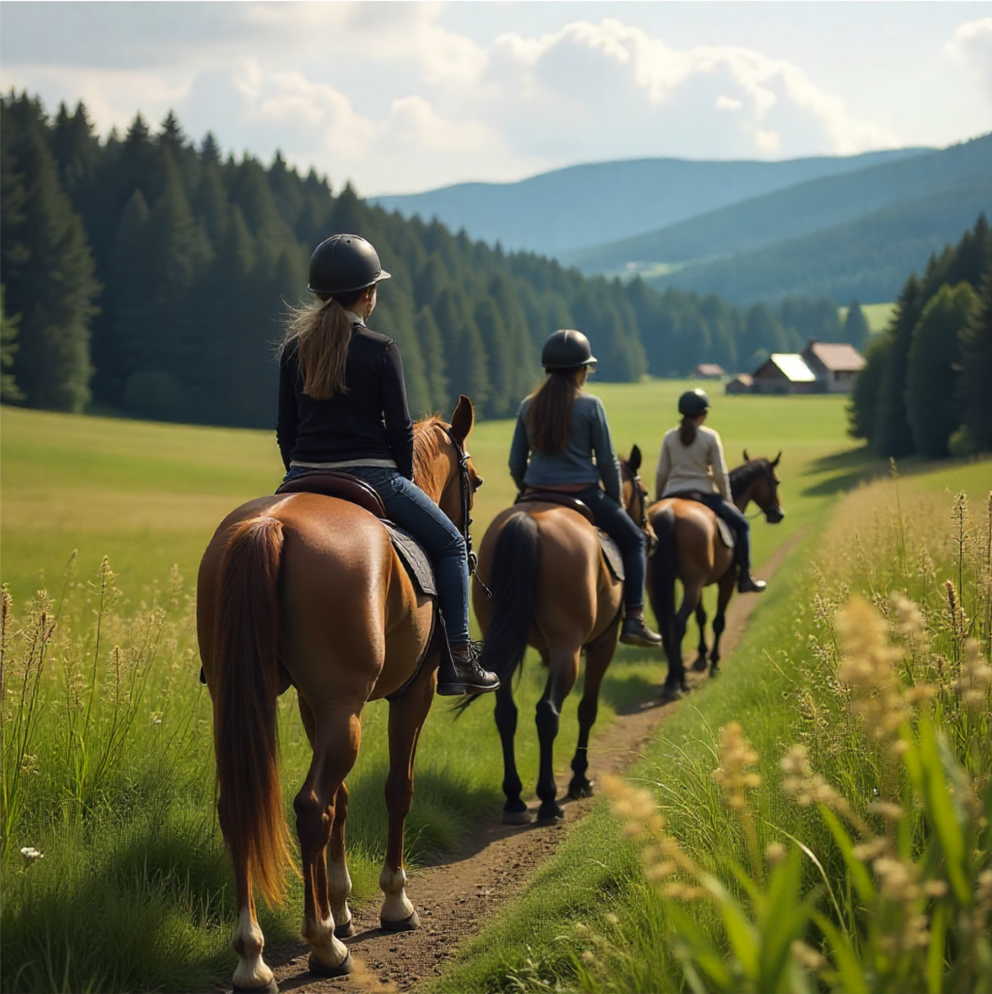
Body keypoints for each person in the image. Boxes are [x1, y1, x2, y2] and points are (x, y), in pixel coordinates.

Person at [277, 233, 500, 695]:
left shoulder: (295, 348)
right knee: (453, 545)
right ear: (367, 294)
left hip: (300, 475)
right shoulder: (380, 349)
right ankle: (460, 657)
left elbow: (287, 428)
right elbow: (400, 428)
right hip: (373, 475)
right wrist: (401, 478)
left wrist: (296, 476)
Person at [508, 329, 662, 647]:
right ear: (581, 370)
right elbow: (606, 460)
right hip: (583, 493)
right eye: (587, 369)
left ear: (549, 369)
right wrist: (617, 503)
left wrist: (526, 491)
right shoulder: (591, 405)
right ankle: (634, 618)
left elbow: (515, 462)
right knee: (634, 540)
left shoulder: (527, 405)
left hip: (534, 493)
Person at [654, 389, 766, 593]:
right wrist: (728, 500)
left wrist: (659, 498)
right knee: (741, 525)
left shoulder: (669, 437)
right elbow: (720, 473)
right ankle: (745, 577)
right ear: (703, 413)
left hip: (672, 493)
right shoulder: (710, 436)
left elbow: (661, 473)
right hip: (703, 493)